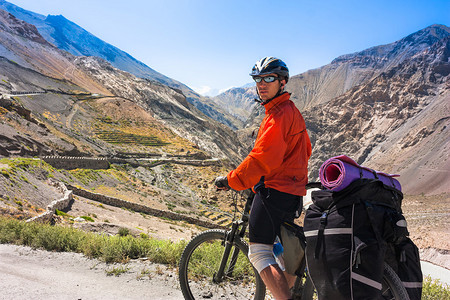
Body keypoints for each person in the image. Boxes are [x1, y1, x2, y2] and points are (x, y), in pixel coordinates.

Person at [215, 56, 312, 299]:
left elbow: (261, 159)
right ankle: (292, 292)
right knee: (283, 251)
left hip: (274, 191)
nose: (262, 83)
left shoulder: (278, 115)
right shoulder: (291, 111)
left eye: (269, 78)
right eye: (258, 79)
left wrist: (231, 180)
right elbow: (306, 149)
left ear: (282, 82)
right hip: (292, 191)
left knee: (258, 252)